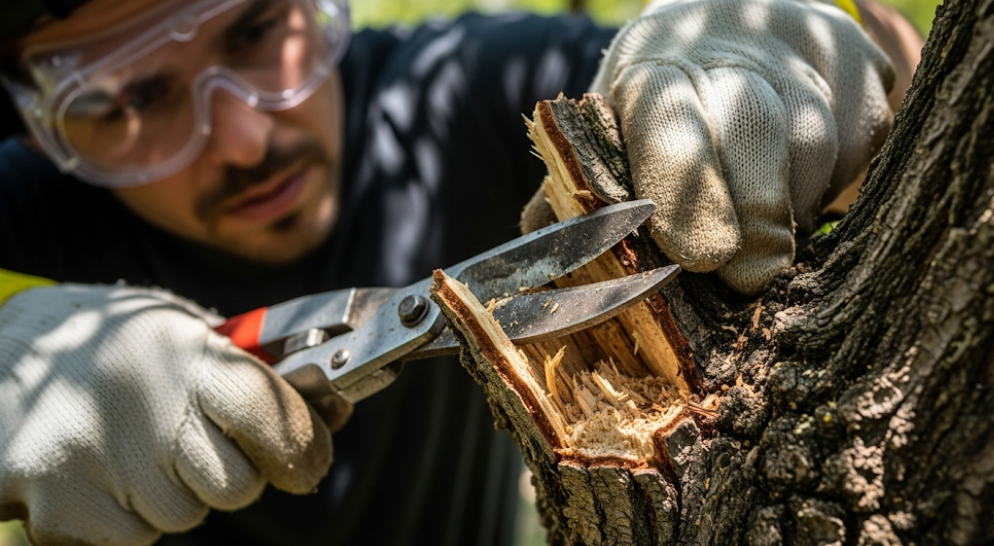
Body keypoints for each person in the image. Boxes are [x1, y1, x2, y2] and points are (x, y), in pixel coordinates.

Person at [0, 0, 919, 544]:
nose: (244, 139)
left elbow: (905, 66)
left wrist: (778, 46)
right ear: (38, 125)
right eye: (130, 98)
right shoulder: (33, 207)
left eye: (250, 31)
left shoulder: (451, 94)